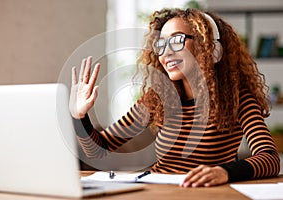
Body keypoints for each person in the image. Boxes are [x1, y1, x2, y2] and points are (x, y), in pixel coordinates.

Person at [69, 8, 280, 187]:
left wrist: (225, 172)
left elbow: (269, 158)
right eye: (161, 44)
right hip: (160, 192)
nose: (166, 52)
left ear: (209, 47)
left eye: (177, 40)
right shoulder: (158, 99)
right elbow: (98, 150)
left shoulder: (237, 98)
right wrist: (80, 116)